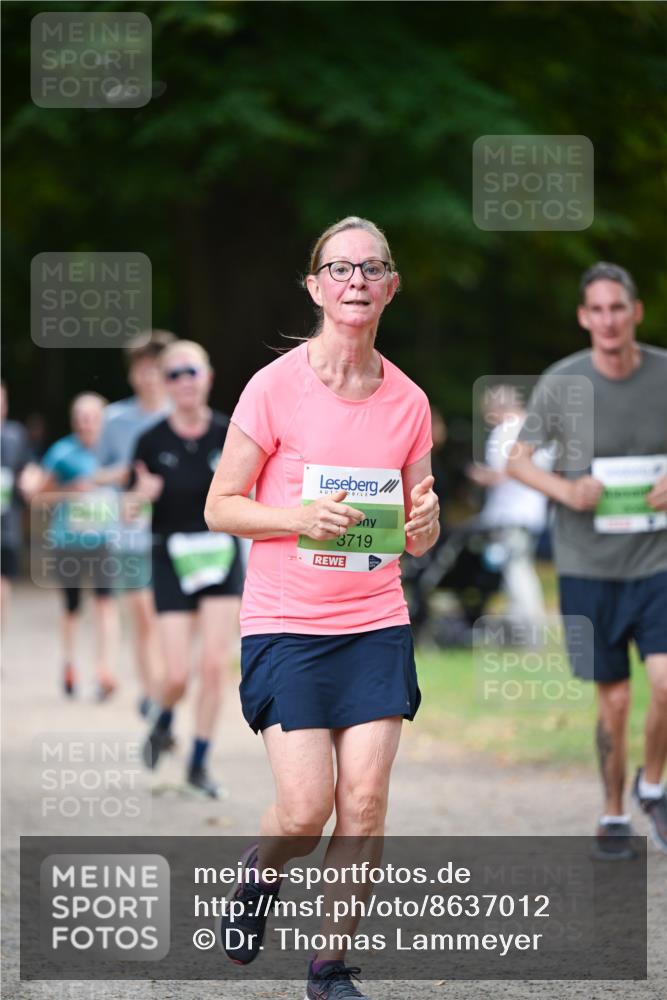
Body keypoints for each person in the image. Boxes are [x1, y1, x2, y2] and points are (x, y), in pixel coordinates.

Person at [205, 217, 439, 999]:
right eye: (339, 268)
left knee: (364, 802)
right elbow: (221, 506)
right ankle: (260, 872)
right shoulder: (274, 387)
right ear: (314, 286)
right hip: (285, 624)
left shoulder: (408, 403)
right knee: (305, 811)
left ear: (391, 287)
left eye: (371, 268)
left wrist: (425, 526)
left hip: (374, 619)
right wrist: (295, 519)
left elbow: (415, 533)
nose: (356, 281)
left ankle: (328, 967)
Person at [507, 262, 667, 859]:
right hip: (586, 565)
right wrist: (567, 490)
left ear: (636, 312)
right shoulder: (562, 383)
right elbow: (517, 461)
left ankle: (653, 785)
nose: (608, 319)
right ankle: (611, 812)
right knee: (616, 699)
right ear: (583, 317)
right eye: (596, 310)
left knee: (665, 683)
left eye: (617, 308)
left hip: (657, 559)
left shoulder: (663, 374)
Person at [131, 340, 243, 798]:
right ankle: (162, 718)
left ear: (208, 377)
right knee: (177, 674)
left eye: (190, 372)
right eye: (173, 374)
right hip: (171, 555)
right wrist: (141, 497)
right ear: (164, 383)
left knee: (213, 666)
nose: (183, 382)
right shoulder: (150, 441)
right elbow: (127, 507)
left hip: (219, 552)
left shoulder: (231, 434)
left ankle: (198, 762)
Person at [96, 330, 175, 718]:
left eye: (154, 369)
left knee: (168, 619)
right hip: (128, 531)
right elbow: (97, 476)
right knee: (142, 616)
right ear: (131, 374)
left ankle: (165, 687)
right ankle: (152, 694)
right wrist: (128, 484)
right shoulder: (113, 419)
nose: (147, 377)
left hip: (172, 532)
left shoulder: (180, 415)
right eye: (140, 370)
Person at [25, 392, 119, 699]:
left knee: (105, 604)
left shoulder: (114, 452)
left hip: (103, 540)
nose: (86, 423)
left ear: (102, 420)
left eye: (92, 417)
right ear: (73, 421)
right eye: (81, 418)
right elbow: (40, 494)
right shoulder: (61, 452)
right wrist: (69, 489)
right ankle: (69, 664)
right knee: (72, 609)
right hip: (68, 541)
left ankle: (104, 670)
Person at [467, 384, 552, 626]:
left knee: (516, 570)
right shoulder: (539, 428)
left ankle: (531, 626)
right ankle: (521, 626)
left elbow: (503, 472)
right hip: (533, 512)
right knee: (518, 567)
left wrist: (478, 475)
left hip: (509, 513)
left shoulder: (504, 431)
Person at [0, 382, 33, 621]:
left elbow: (28, 466)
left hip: (7, 522)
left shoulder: (15, 434)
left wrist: (30, 479)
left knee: (3, 580)